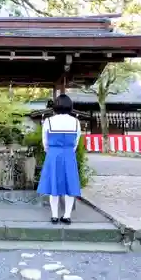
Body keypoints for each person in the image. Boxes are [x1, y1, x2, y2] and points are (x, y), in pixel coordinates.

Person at [37, 94, 81, 225]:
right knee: (70, 185)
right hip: (68, 154)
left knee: (54, 185)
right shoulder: (75, 121)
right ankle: (67, 215)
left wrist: (49, 150)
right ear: (70, 106)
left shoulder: (48, 121)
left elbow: (45, 141)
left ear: (55, 105)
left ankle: (54, 215)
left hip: (53, 154)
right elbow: (76, 142)